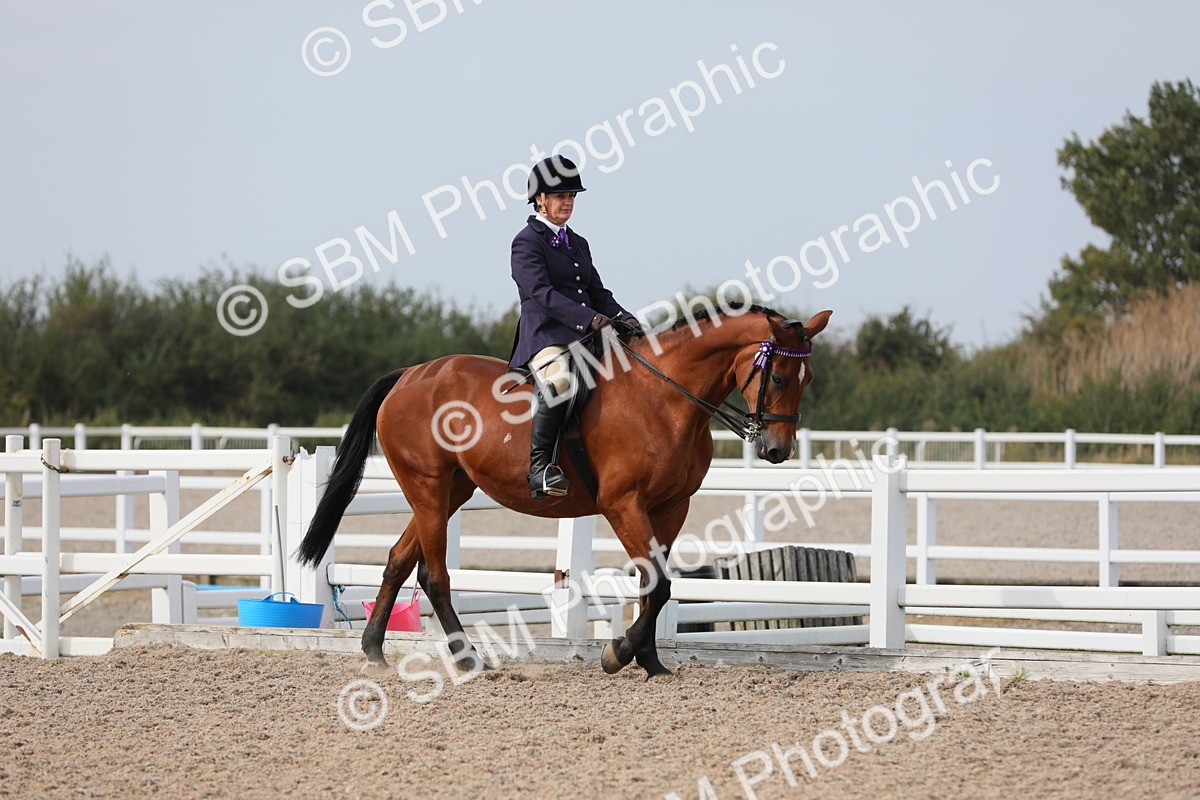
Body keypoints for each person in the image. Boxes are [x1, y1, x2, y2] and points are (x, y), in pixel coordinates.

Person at [508, 155, 640, 499]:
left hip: (585, 336)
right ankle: (540, 469)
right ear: (540, 199)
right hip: (546, 336)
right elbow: (541, 293)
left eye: (571, 196)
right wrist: (589, 318)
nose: (567, 202)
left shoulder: (578, 242)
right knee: (561, 381)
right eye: (560, 196)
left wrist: (626, 318)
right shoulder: (526, 241)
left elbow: (598, 293)